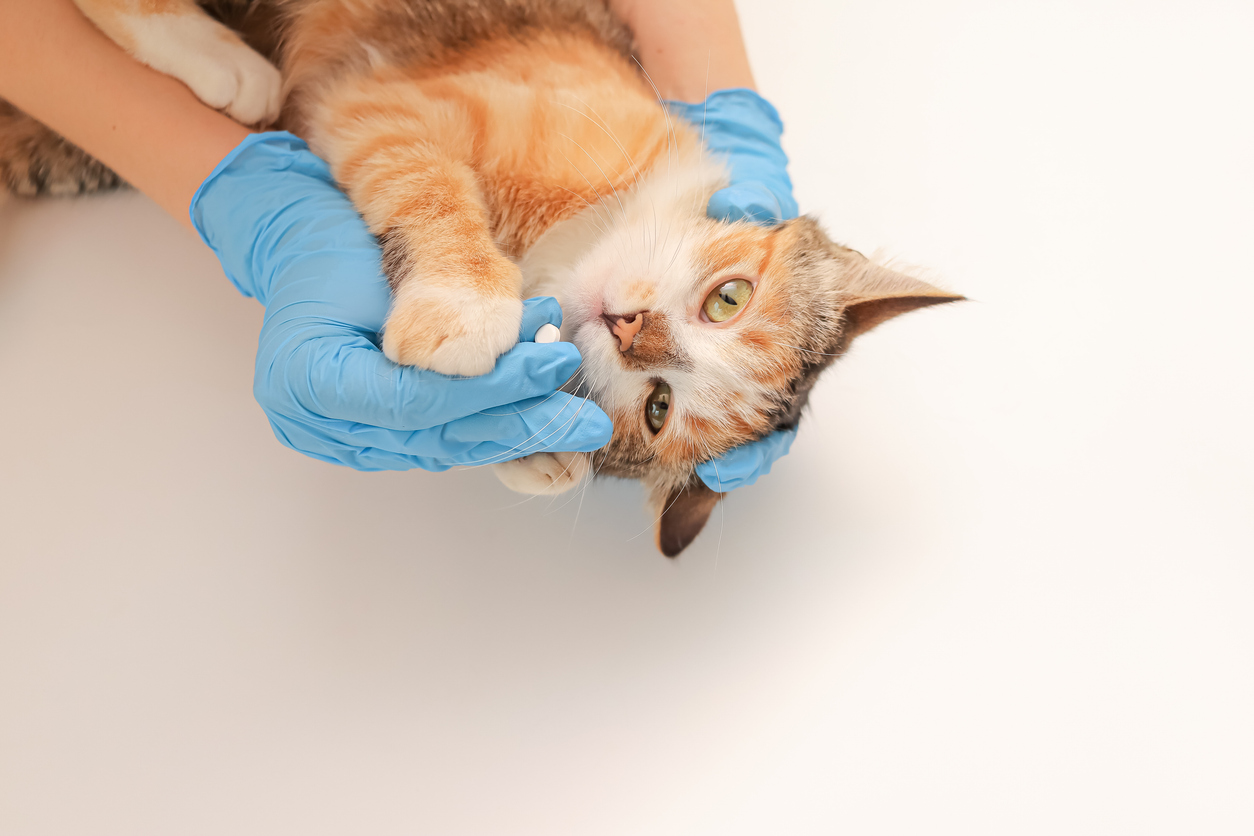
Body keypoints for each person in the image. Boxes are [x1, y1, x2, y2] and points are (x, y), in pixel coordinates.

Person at [0, 0, 796, 488]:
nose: (643, 337)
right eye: (726, 303)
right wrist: (441, 251)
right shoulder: (623, 152)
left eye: (657, 403)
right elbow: (382, 108)